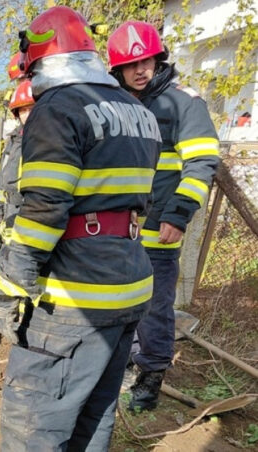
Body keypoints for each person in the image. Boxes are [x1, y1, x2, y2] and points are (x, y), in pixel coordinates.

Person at [0, 6, 161, 450]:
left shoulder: (57, 108)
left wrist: (11, 286)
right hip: (129, 287)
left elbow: (45, 207)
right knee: (93, 421)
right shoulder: (135, 108)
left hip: (74, 300)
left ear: (39, 63)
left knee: (34, 428)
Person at [107, 20, 220, 412]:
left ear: (159, 60)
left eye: (148, 61)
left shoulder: (184, 103)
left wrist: (178, 215)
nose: (140, 70)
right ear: (117, 70)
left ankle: (151, 377)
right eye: (131, 64)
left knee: (155, 309)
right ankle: (127, 362)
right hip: (119, 230)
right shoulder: (117, 105)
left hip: (159, 229)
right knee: (122, 304)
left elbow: (202, 163)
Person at [0, 79, 34, 260]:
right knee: (8, 253)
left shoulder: (49, 138)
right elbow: (2, 177)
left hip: (33, 210)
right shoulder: (14, 140)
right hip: (10, 210)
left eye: (32, 108)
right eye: (23, 110)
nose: (27, 114)